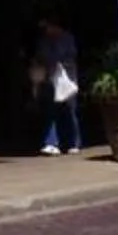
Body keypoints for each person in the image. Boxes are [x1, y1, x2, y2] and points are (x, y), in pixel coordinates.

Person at [32, 14, 83, 155]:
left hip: (66, 79)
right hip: (50, 79)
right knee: (50, 112)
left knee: (69, 111)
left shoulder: (67, 38)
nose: (47, 30)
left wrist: (55, 61)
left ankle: (73, 142)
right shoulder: (44, 41)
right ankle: (51, 143)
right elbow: (40, 56)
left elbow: (70, 54)